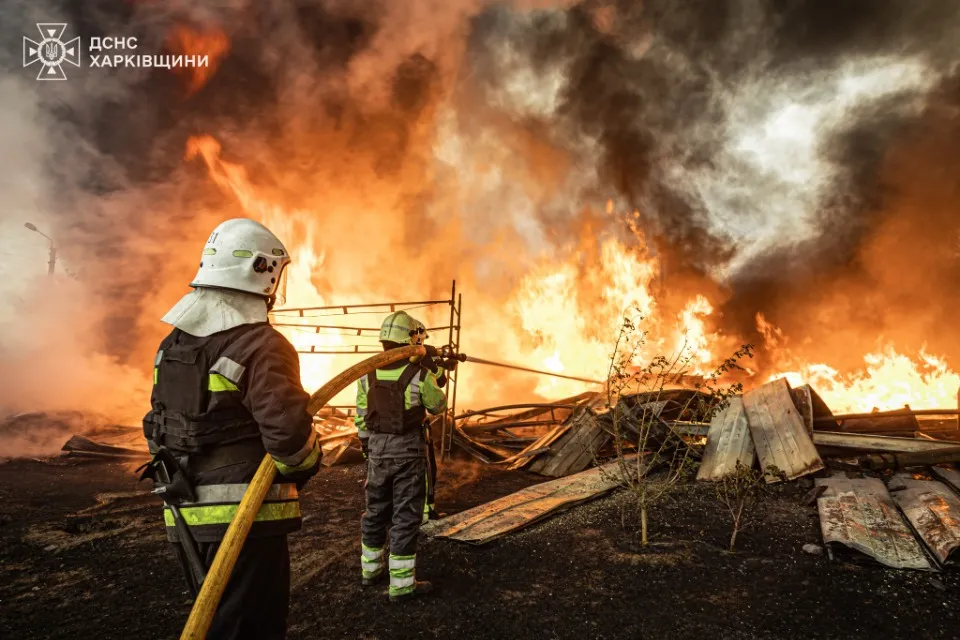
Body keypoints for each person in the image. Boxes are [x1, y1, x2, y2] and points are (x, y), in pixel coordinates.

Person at [140, 218, 321, 640]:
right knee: (250, 629)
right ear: (265, 272)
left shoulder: (173, 346)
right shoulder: (261, 345)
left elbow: (156, 424)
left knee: (216, 623)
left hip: (183, 515)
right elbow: (289, 437)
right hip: (244, 518)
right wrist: (306, 466)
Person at [355, 310, 447, 601]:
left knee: (375, 512)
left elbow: (361, 417)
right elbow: (437, 405)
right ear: (410, 340)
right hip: (408, 452)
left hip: (377, 453)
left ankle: (370, 571)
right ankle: (403, 585)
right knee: (405, 517)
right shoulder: (419, 374)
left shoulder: (366, 375)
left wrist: (370, 447)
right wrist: (432, 368)